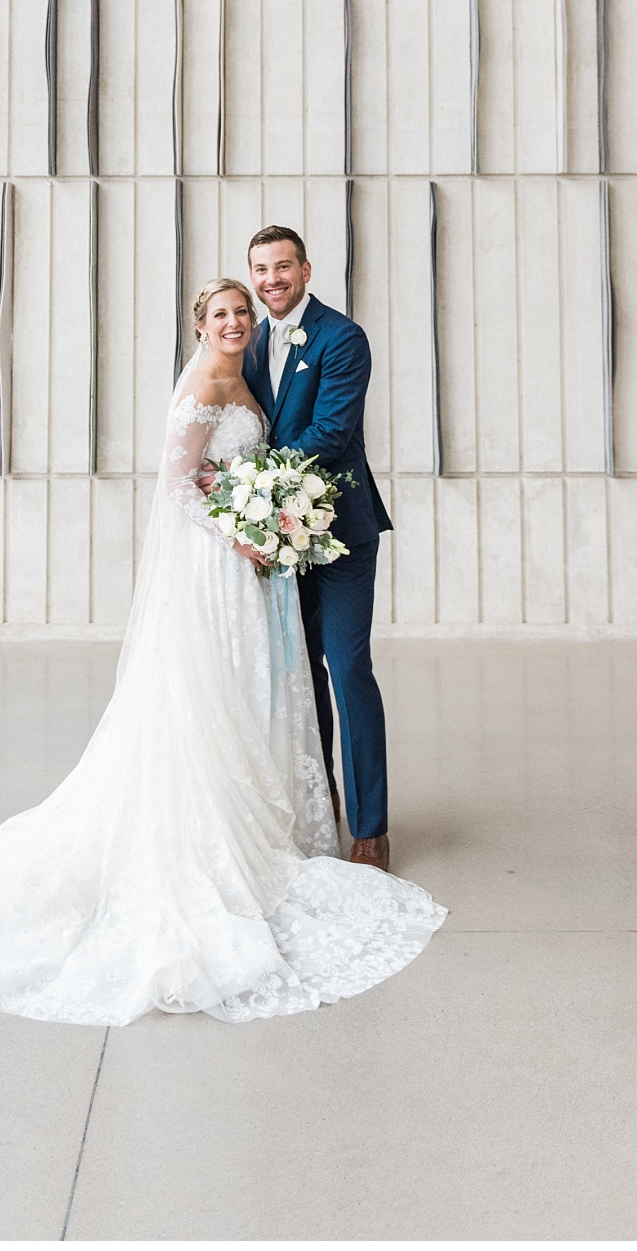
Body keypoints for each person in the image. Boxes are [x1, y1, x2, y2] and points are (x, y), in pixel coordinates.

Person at [0, 278, 444, 1025]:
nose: (238, 318)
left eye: (244, 307)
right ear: (200, 324)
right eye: (224, 311)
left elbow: (286, 444)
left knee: (269, 680)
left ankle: (333, 820)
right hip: (223, 557)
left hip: (260, 554)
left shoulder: (270, 355)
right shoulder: (206, 379)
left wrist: (266, 513)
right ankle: (222, 823)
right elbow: (178, 484)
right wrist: (244, 528)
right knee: (219, 685)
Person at [242, 227, 394, 869]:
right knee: (300, 675)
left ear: (306, 269)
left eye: (283, 266)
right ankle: (319, 804)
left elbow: (331, 432)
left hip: (340, 530)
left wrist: (252, 485)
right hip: (278, 537)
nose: (272, 279)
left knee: (348, 665)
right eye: (261, 269)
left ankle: (371, 825)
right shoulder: (245, 340)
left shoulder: (342, 337)